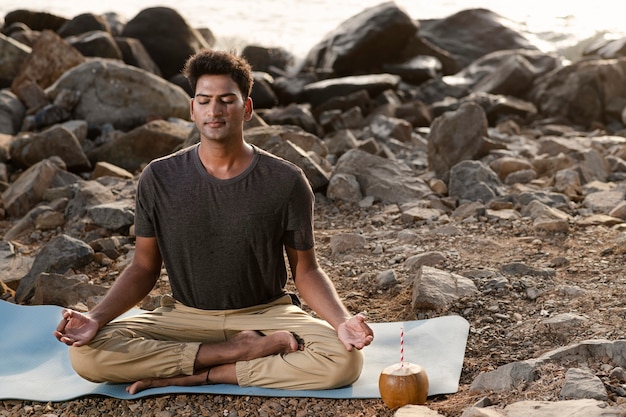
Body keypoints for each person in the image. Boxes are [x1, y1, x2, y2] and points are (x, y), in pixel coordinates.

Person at [54, 49, 374, 395]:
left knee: (343, 361)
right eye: (204, 100)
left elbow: (306, 271)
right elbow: (143, 268)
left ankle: (205, 373)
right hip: (185, 316)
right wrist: (96, 318)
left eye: (226, 100)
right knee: (86, 356)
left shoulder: (285, 180)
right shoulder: (159, 177)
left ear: (247, 108)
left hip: (265, 316)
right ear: (192, 109)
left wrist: (342, 322)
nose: (214, 110)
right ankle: (234, 353)